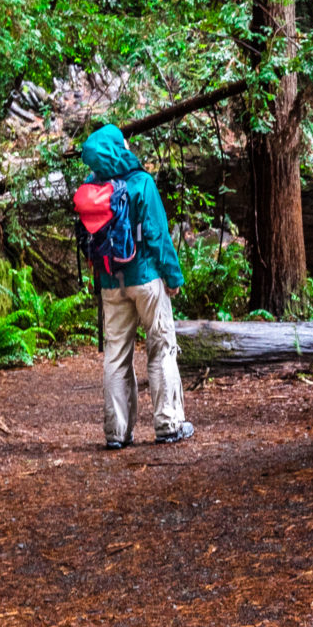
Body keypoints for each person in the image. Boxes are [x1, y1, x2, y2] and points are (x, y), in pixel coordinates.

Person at [78, 123, 192, 448]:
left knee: (115, 355)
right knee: (161, 348)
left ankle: (116, 433)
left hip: (111, 283)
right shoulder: (141, 182)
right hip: (145, 278)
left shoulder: (93, 189)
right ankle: (169, 424)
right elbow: (157, 235)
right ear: (120, 147)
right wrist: (174, 278)